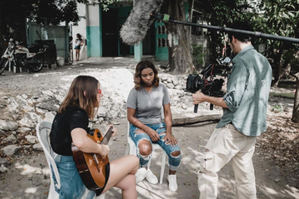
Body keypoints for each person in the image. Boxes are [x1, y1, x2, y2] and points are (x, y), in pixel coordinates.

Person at [192, 21, 272, 199]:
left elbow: (232, 103)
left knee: (207, 168)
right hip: (253, 127)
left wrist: (203, 97)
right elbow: (253, 92)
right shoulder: (264, 61)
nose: (229, 44)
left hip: (235, 127)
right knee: (245, 174)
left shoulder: (241, 61)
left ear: (234, 38)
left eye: (229, 41)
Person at [50, 75, 139, 199]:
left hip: (74, 168)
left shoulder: (68, 110)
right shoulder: (78, 114)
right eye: (99, 91)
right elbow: (80, 142)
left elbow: (78, 141)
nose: (101, 95)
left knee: (130, 180)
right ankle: (132, 173)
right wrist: (100, 149)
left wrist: (105, 136)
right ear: (86, 93)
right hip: (81, 181)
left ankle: (126, 174)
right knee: (134, 160)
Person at [127, 60, 182, 192]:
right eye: (144, 75)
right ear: (139, 76)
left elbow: (167, 113)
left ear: (155, 73)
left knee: (175, 152)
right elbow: (130, 117)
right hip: (140, 126)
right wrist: (148, 129)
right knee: (145, 149)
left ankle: (172, 176)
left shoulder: (162, 88)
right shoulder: (135, 92)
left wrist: (169, 132)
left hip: (159, 126)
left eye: (150, 74)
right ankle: (145, 169)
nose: (148, 78)